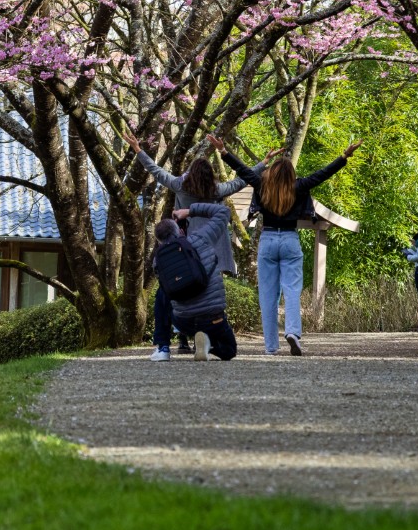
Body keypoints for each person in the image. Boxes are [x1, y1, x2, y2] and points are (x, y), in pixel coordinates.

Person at [210, 133, 359, 356]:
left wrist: (224, 152)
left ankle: (271, 346)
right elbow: (322, 174)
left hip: (268, 240)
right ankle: (292, 333)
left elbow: (244, 172)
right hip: (290, 240)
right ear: (291, 173)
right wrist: (344, 156)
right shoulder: (298, 187)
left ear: (271, 173)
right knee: (291, 291)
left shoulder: (262, 185)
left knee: (268, 296)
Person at [127, 131, 247, 354]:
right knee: (209, 290)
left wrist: (138, 150)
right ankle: (208, 337)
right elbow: (243, 180)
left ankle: (178, 341)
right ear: (210, 175)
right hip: (212, 247)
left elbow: (156, 170)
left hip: (186, 246)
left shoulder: (179, 185)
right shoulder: (217, 190)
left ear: (190, 173)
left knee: (178, 286)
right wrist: (261, 164)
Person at [149, 204, 238, 362]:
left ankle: (163, 348)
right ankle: (209, 344)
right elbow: (224, 211)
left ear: (159, 240)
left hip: (185, 322)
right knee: (229, 350)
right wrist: (189, 212)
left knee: (162, 293)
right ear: (179, 230)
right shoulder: (201, 238)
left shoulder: (158, 261)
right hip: (213, 319)